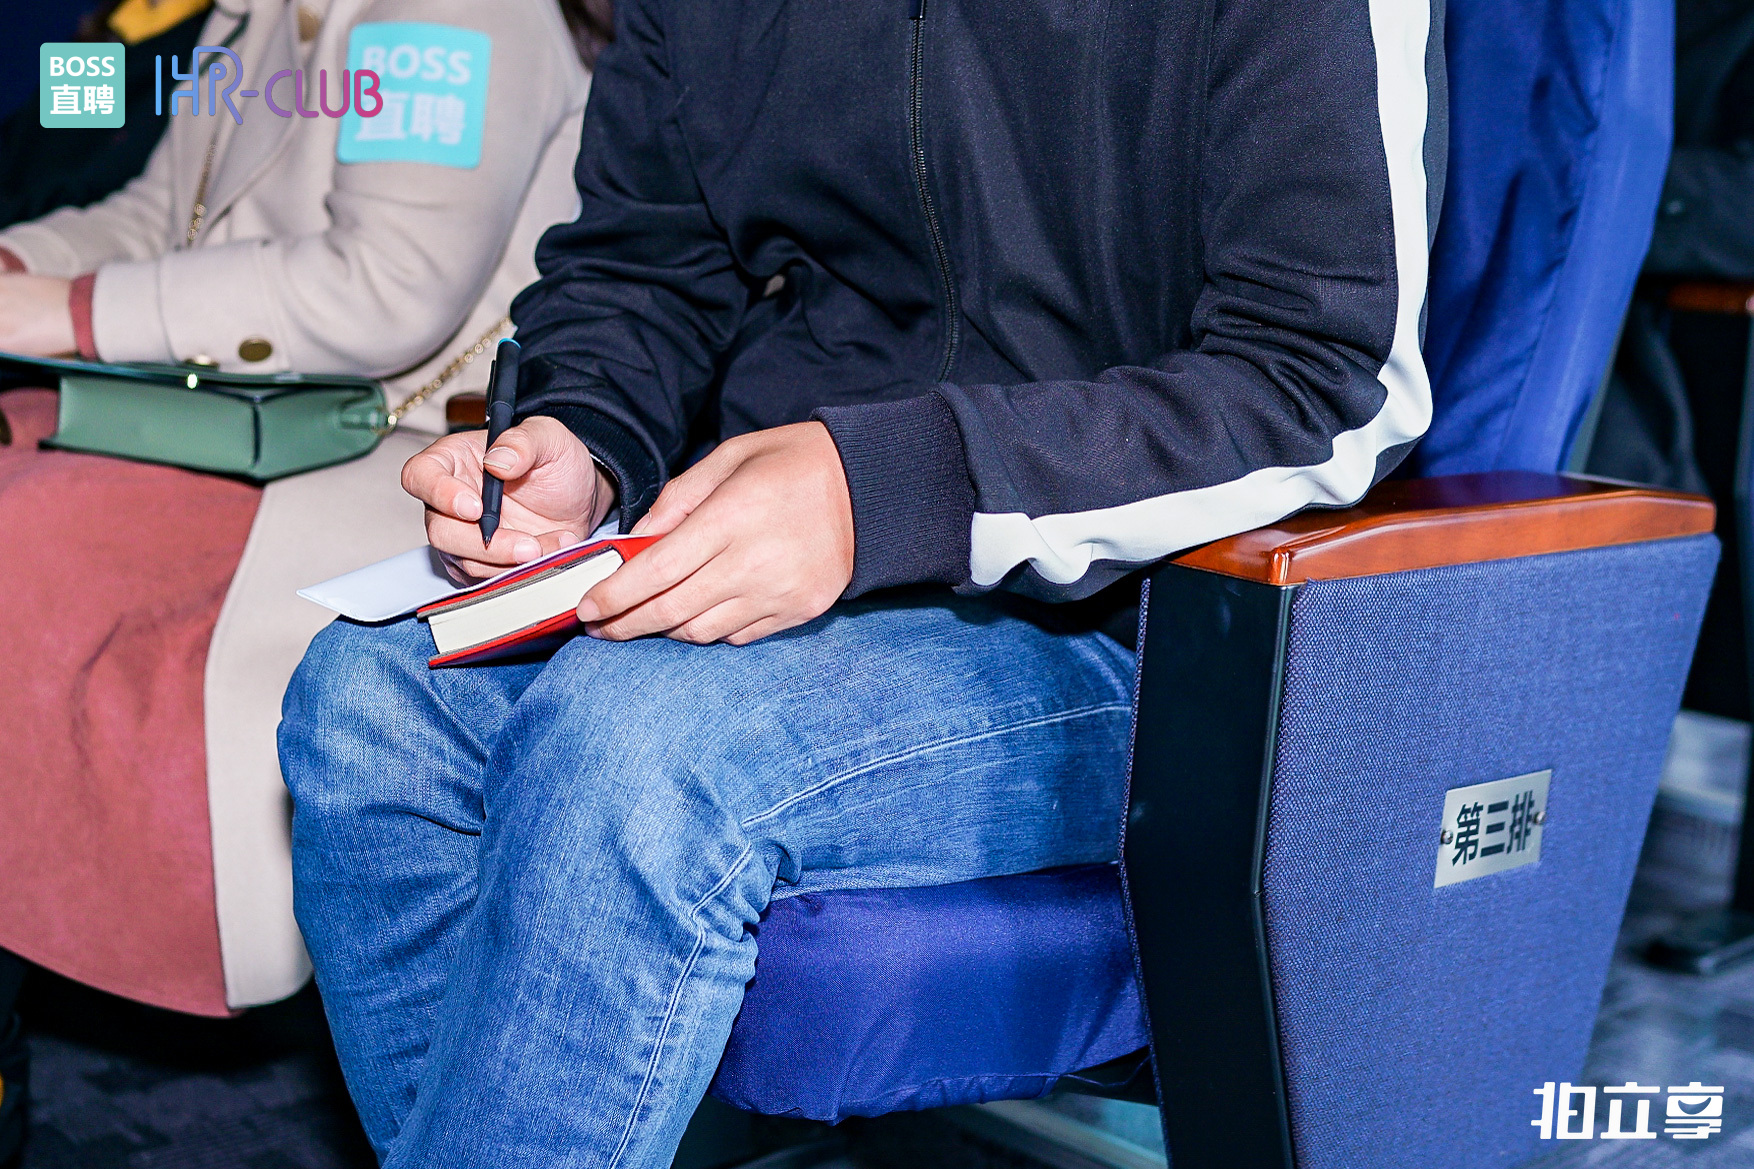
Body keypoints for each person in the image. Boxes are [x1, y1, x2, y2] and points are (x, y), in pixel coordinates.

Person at [281, 0, 1441, 1163]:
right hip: (783, 542)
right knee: (372, 697)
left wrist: (886, 490)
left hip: (1149, 622)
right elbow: (643, 267)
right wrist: (583, 435)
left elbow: (1325, 381)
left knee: (636, 748)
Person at [0, 0, 607, 1135]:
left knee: (23, 553)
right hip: (232, 413)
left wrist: (64, 310)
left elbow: (383, 287)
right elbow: (164, 216)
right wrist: (17, 263)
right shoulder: (257, 13)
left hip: (403, 453)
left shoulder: (449, 12)